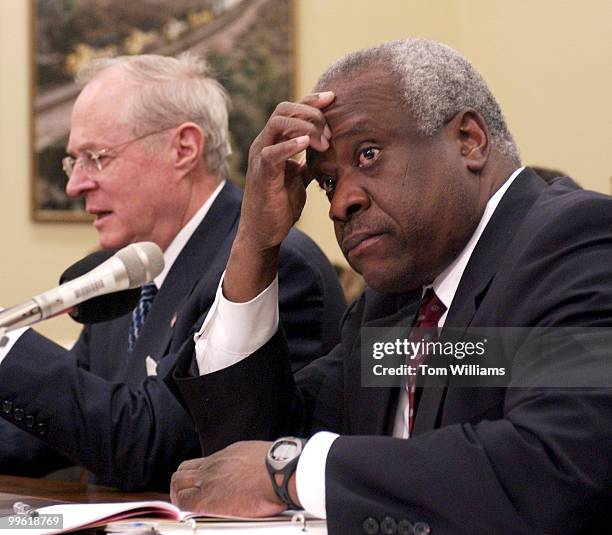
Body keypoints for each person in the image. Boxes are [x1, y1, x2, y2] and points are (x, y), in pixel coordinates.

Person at [169, 39, 612, 534]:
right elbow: (252, 456)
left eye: (369, 154)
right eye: (329, 183)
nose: (341, 205)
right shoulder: (392, 303)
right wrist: (254, 242)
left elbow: (553, 467)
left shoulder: (577, 241)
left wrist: (292, 470)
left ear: (469, 140)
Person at [0, 53, 346, 491]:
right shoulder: (125, 269)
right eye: (74, 162)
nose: (75, 185)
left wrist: (5, 346)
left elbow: (156, 446)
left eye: (95, 157)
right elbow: (68, 424)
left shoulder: (269, 266)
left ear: (183, 148)